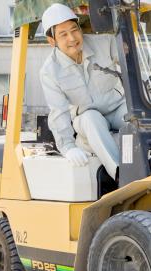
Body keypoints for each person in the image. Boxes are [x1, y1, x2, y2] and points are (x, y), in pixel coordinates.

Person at [40, 3, 126, 180]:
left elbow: (139, 61)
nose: (72, 38)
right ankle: (121, 176)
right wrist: (68, 147)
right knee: (91, 118)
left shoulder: (105, 43)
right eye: (63, 34)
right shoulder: (49, 72)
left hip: (117, 108)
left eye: (74, 29)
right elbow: (59, 112)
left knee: (137, 113)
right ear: (52, 41)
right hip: (86, 120)